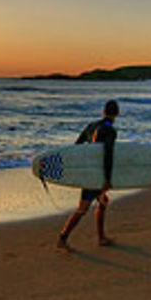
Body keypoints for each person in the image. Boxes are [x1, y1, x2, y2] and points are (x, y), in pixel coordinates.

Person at [56, 100, 120, 253]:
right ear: (117, 113)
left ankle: (101, 237)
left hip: (88, 171)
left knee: (103, 201)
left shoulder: (92, 126)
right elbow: (108, 155)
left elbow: (77, 146)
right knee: (83, 208)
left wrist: (78, 168)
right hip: (96, 175)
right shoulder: (110, 131)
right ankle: (62, 239)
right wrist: (107, 179)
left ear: (104, 111)